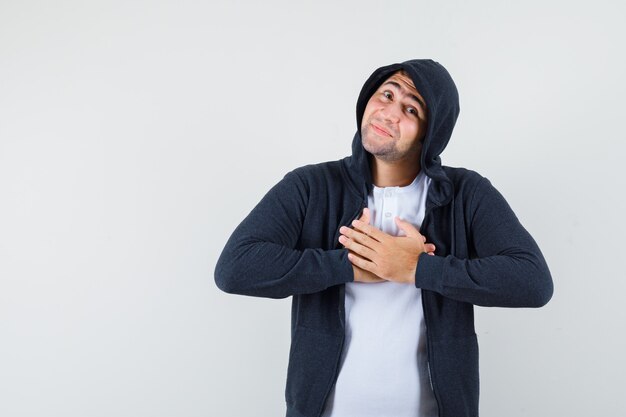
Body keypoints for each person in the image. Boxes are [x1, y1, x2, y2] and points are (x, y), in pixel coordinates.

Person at [214, 59, 553, 417]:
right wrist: (349, 264)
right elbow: (235, 268)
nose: (389, 113)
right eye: (386, 94)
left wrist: (418, 268)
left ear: (430, 131)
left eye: (410, 108)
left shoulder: (465, 194)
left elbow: (532, 281)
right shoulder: (311, 186)